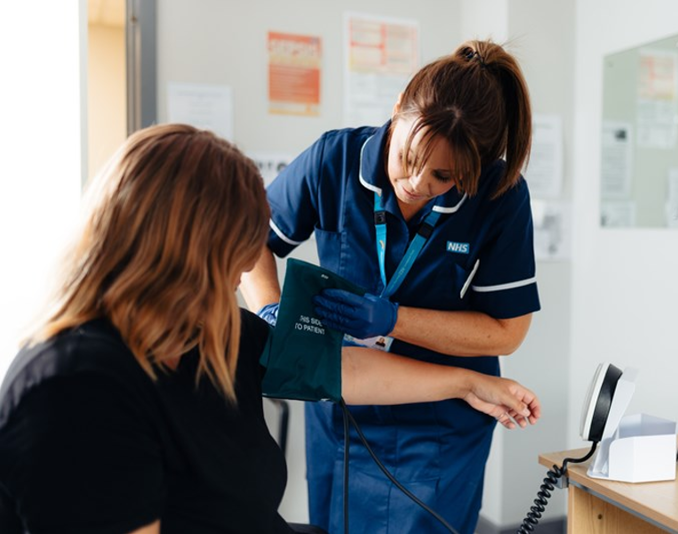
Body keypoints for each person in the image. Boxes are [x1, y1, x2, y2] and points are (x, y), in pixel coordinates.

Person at [0, 124, 540, 534]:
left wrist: (469, 383)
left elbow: (336, 367)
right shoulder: (73, 388)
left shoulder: (202, 334)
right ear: (176, 253)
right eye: (231, 259)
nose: (242, 275)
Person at [240, 40, 541, 534]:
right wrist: (271, 312)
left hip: (438, 425)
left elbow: (506, 331)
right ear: (398, 106)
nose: (418, 183)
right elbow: (251, 237)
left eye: (445, 175)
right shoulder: (334, 160)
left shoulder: (498, 194)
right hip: (342, 411)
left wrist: (394, 320)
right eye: (409, 156)